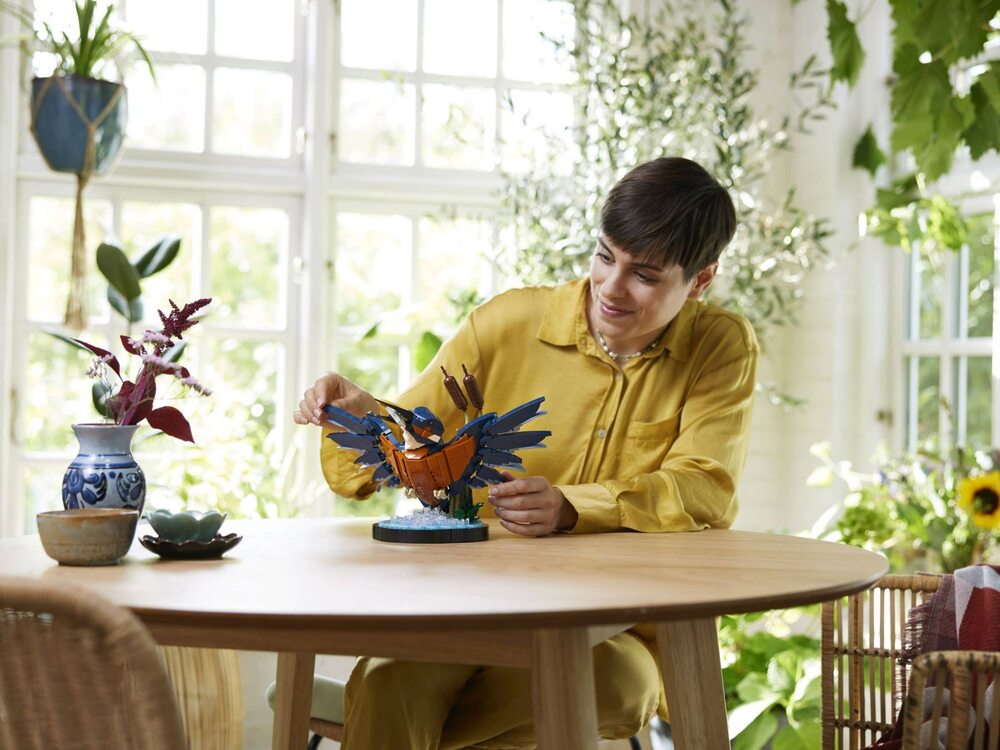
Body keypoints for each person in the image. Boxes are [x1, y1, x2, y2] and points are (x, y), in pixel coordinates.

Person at [294, 156, 759, 749]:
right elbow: (416, 442)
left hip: (620, 631)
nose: (611, 287)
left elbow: (705, 487)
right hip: (470, 609)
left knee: (614, 687)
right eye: (604, 256)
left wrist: (574, 506)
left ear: (700, 281)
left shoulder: (720, 346)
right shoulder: (507, 322)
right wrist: (360, 414)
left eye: (644, 275)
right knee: (389, 683)